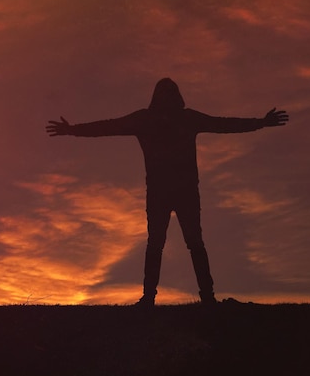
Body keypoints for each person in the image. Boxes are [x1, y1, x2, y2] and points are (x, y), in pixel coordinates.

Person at [46, 78, 288, 307]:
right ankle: (182, 298)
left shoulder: (159, 119)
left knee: (176, 244)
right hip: (174, 192)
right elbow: (109, 126)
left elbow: (223, 124)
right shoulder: (171, 119)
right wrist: (73, 130)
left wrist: (260, 122)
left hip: (174, 192)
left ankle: (180, 298)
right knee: (177, 244)